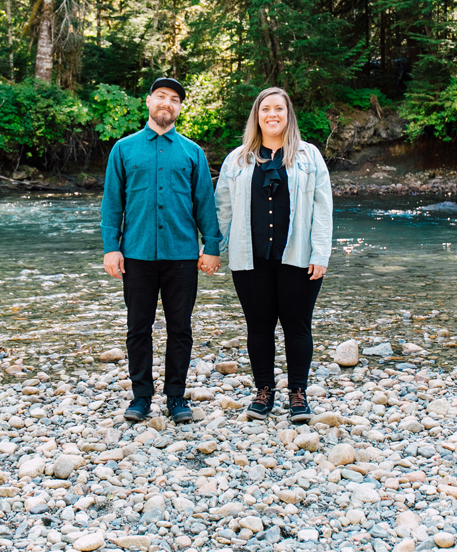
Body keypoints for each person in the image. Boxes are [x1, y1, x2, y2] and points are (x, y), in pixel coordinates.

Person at [100, 77, 222, 424]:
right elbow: (112, 203)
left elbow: (204, 204)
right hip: (136, 253)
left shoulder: (192, 152)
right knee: (138, 327)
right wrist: (112, 247)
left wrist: (211, 245)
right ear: (149, 101)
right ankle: (140, 398)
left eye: (174, 99)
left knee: (180, 328)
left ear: (179, 108)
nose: (167, 103)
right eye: (161, 97)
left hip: (182, 254)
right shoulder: (123, 149)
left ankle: (176, 397)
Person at [215, 87, 333, 423]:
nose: (272, 115)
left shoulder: (309, 157)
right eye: (265, 109)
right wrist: (214, 249)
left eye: (278, 109)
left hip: (298, 257)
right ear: (257, 116)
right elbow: (222, 208)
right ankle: (264, 391)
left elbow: (323, 209)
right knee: (259, 327)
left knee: (297, 326)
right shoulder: (237, 159)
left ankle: (298, 393)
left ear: (288, 114)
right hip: (250, 259)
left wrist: (321, 253)